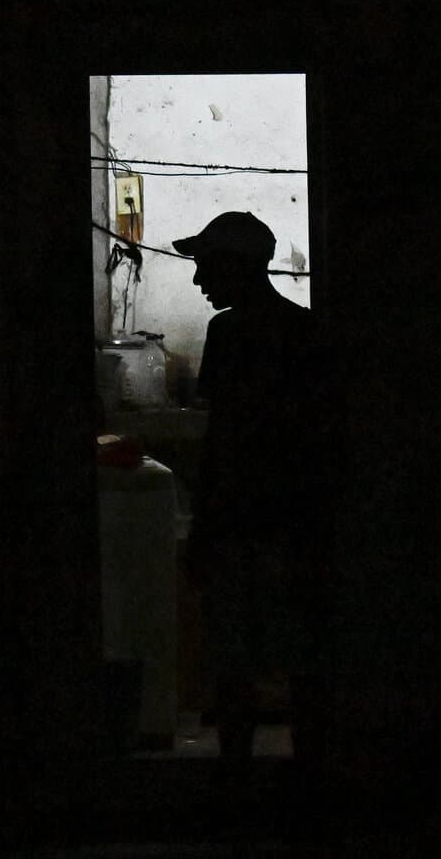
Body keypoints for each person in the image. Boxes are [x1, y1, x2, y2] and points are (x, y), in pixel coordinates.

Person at [179, 211, 335, 779]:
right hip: (294, 519)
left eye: (204, 267)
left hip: (241, 520)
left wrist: (203, 523)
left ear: (235, 267)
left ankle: (237, 782)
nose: (199, 281)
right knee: (303, 657)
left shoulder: (230, 334)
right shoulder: (307, 328)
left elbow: (223, 440)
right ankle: (312, 780)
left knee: (235, 661)